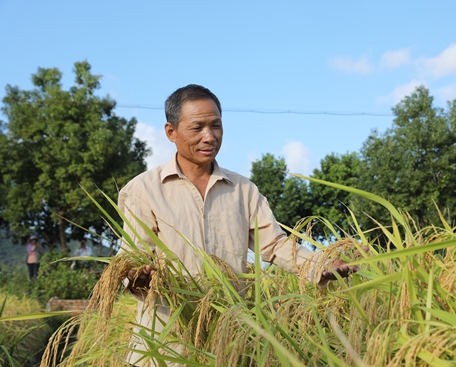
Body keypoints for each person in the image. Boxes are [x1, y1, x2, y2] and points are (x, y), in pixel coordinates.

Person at [118, 84, 359, 366]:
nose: (209, 137)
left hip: (227, 342)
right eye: (197, 128)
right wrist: (137, 277)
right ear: (171, 132)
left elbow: (275, 245)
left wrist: (322, 264)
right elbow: (131, 260)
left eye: (216, 126)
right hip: (166, 345)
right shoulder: (144, 190)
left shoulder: (243, 189)